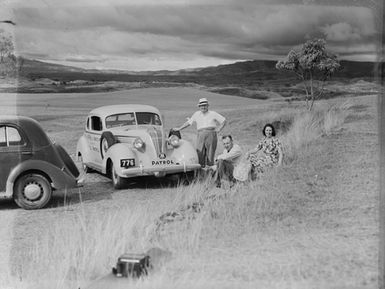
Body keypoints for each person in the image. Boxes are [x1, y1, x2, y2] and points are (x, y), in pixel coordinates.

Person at [173, 98, 226, 167]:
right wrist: (179, 128)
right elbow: (189, 123)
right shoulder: (196, 114)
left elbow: (224, 120)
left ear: (207, 106)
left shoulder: (213, 113)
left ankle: (210, 171)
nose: (203, 107)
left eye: (205, 105)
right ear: (199, 107)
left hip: (211, 134)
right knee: (199, 152)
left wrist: (219, 129)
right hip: (200, 134)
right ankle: (201, 170)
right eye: (201, 106)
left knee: (210, 154)